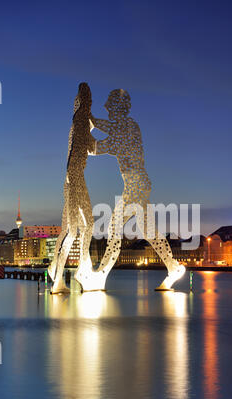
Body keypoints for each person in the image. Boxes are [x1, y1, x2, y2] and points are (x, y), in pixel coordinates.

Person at [90, 89, 185, 290]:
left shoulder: (127, 127)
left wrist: (85, 136)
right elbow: (109, 128)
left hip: (135, 185)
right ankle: (173, 266)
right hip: (138, 184)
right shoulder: (127, 125)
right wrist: (92, 121)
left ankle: (101, 273)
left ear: (117, 107)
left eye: (109, 104)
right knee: (149, 231)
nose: (106, 107)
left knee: (114, 227)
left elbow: (101, 146)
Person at [48, 83, 97, 293]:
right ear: (87, 101)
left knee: (69, 229)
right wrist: (115, 144)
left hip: (69, 180)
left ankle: (56, 272)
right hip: (76, 177)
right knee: (84, 227)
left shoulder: (75, 121)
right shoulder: (82, 122)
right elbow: (92, 147)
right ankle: (77, 271)